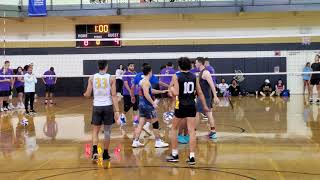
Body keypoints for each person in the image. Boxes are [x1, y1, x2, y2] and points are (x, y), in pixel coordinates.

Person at [166, 57, 209, 165]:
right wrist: (204, 106)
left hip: (180, 105)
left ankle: (175, 154)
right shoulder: (194, 76)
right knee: (191, 131)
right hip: (191, 105)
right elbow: (200, 92)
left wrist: (170, 90)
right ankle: (192, 157)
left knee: (174, 129)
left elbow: (175, 92)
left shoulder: (176, 76)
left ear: (179, 66)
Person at [83, 60, 120, 163]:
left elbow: (88, 94)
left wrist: (84, 94)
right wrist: (117, 111)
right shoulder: (111, 78)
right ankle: (105, 153)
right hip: (108, 106)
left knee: (95, 131)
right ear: (106, 66)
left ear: (98, 66)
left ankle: (94, 151)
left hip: (97, 106)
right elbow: (113, 95)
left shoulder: (92, 77)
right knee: (107, 132)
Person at [132, 64, 169, 148]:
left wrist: (161, 92)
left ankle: (135, 141)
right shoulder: (146, 82)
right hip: (147, 105)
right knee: (155, 123)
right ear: (150, 72)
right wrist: (153, 103)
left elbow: (150, 91)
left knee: (141, 124)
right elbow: (146, 94)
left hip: (141, 105)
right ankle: (158, 141)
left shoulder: (143, 81)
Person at [195, 57, 220, 139]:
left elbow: (212, 85)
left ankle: (193, 132)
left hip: (205, 97)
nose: (195, 64)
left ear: (200, 63)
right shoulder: (200, 72)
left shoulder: (205, 72)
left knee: (197, 113)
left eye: (196, 63)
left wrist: (215, 96)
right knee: (208, 114)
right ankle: (213, 132)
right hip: (202, 96)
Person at [121, 63, 139, 136]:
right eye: (131, 66)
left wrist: (137, 90)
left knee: (136, 108)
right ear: (128, 67)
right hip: (127, 94)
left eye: (133, 65)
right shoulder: (125, 73)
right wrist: (130, 91)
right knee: (126, 108)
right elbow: (125, 84)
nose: (132, 67)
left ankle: (135, 121)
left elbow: (137, 83)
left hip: (136, 93)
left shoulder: (135, 73)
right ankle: (122, 117)